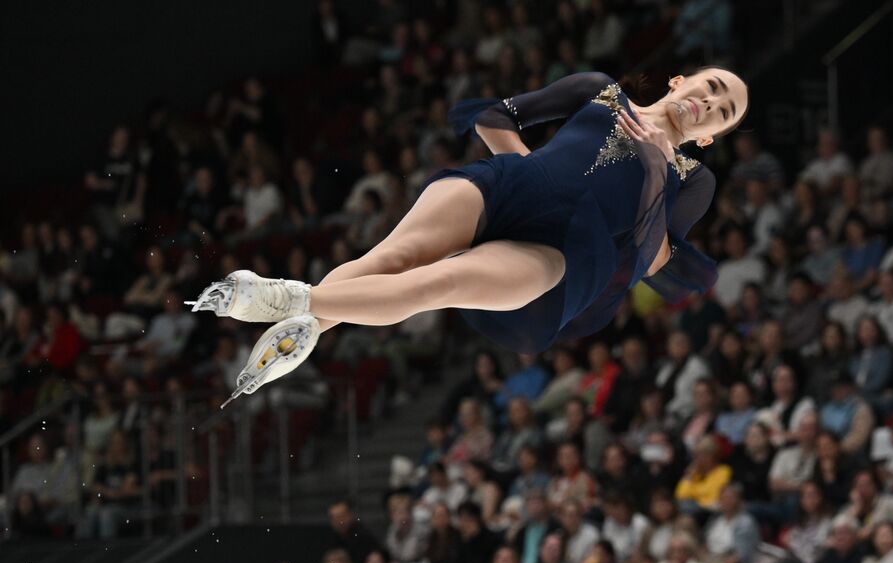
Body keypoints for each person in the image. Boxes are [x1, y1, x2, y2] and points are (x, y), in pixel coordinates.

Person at [192, 69, 749, 406]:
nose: (710, 102)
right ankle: (303, 327)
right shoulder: (601, 90)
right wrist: (533, 174)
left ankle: (290, 301)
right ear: (684, 79)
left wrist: (654, 163)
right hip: (509, 185)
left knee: (438, 283)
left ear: (712, 135)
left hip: (557, 252)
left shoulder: (692, 179)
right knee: (393, 256)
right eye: (713, 87)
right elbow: (493, 116)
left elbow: (654, 261)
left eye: (723, 112)